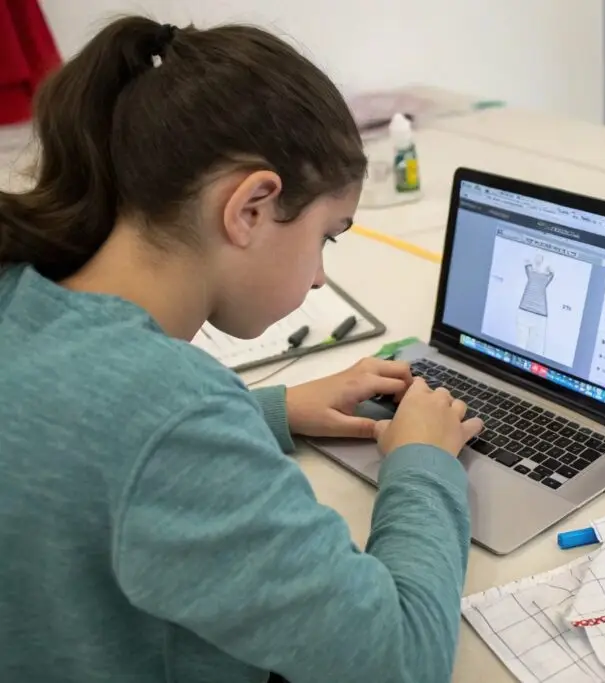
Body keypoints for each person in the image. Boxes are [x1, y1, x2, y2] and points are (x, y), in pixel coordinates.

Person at [0, 16, 482, 683]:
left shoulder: (20, 290)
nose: (318, 275)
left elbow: (85, 440)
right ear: (251, 206)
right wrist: (424, 462)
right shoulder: (169, 412)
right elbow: (400, 660)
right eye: (327, 237)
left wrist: (266, 410)